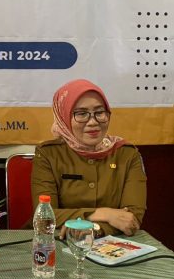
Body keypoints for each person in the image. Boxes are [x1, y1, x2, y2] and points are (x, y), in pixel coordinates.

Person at [31, 79, 147, 237]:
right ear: (64, 117)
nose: (93, 122)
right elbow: (44, 216)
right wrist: (103, 213)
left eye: (99, 112)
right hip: (56, 241)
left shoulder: (127, 154)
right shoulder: (48, 154)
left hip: (111, 244)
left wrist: (96, 229)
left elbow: (131, 218)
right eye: (81, 113)